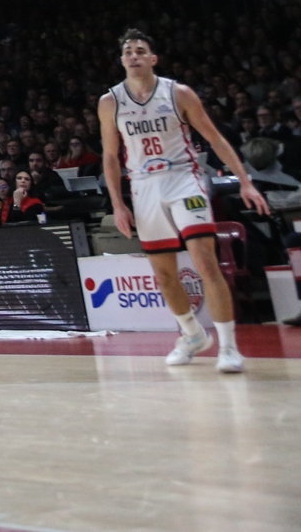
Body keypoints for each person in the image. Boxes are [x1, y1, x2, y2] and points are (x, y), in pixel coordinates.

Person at [98, 28, 270, 373]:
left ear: (152, 59)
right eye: (128, 51)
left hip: (184, 180)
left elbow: (216, 139)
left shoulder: (178, 93)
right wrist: (118, 204)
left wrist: (246, 183)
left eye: (140, 50)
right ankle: (192, 334)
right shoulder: (110, 101)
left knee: (205, 262)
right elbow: (110, 156)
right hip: (144, 186)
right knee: (163, 275)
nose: (133, 55)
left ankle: (229, 348)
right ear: (121, 60)